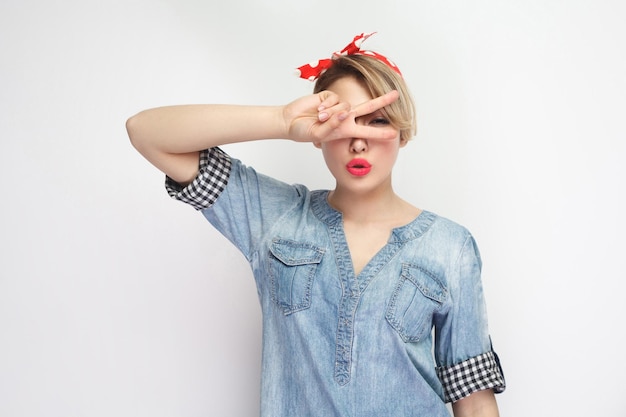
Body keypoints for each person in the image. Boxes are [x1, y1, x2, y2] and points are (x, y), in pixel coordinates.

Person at [127, 32, 505, 417]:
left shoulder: (450, 246)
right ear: (317, 134)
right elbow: (145, 132)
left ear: (402, 132)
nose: (358, 140)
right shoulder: (276, 218)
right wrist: (282, 120)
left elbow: (473, 402)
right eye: (341, 123)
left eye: (376, 121)